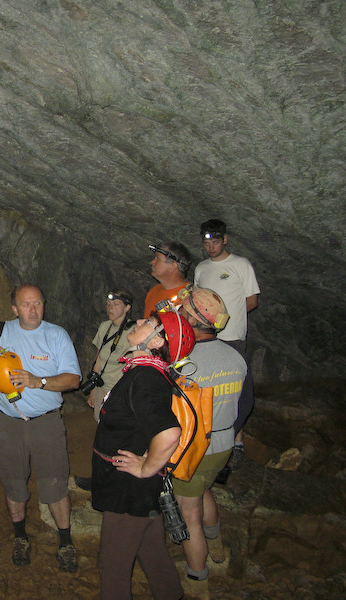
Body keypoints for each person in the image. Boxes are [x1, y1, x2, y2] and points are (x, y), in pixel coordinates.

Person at [0, 284, 81, 572]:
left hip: (46, 422)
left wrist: (37, 381)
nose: (33, 310)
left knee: (54, 483)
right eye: (26, 305)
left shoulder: (56, 335)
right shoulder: (1, 331)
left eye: (38, 303)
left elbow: (73, 380)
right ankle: (20, 537)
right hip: (8, 423)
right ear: (15, 309)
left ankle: (65, 541)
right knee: (13, 482)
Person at [91, 310, 195, 600]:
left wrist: (146, 468)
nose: (138, 322)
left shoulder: (146, 378)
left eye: (148, 324)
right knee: (152, 552)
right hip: (139, 494)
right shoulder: (144, 371)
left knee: (112, 565)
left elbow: (169, 432)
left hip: (129, 490)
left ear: (155, 342)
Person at [173, 287, 246, 600]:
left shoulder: (187, 363)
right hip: (224, 444)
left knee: (189, 514)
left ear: (193, 318)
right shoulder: (236, 357)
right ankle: (217, 550)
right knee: (204, 491)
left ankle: (197, 579)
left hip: (194, 450)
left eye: (185, 310)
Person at [194, 219, 260, 471]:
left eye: (215, 241)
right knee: (209, 389)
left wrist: (226, 319)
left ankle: (237, 441)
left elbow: (251, 301)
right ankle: (207, 438)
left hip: (231, 336)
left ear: (225, 240)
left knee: (235, 389)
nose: (210, 246)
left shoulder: (240, 264)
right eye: (206, 242)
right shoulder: (201, 268)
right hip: (206, 338)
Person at [85, 290, 137, 423]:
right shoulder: (104, 327)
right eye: (108, 304)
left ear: (127, 307)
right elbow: (98, 360)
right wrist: (93, 389)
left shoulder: (134, 331)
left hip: (119, 390)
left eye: (116, 304)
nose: (110, 307)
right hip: (101, 387)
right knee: (99, 420)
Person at [144, 242, 192, 317]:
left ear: (173, 266)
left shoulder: (189, 298)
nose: (152, 262)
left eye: (158, 259)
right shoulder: (153, 291)